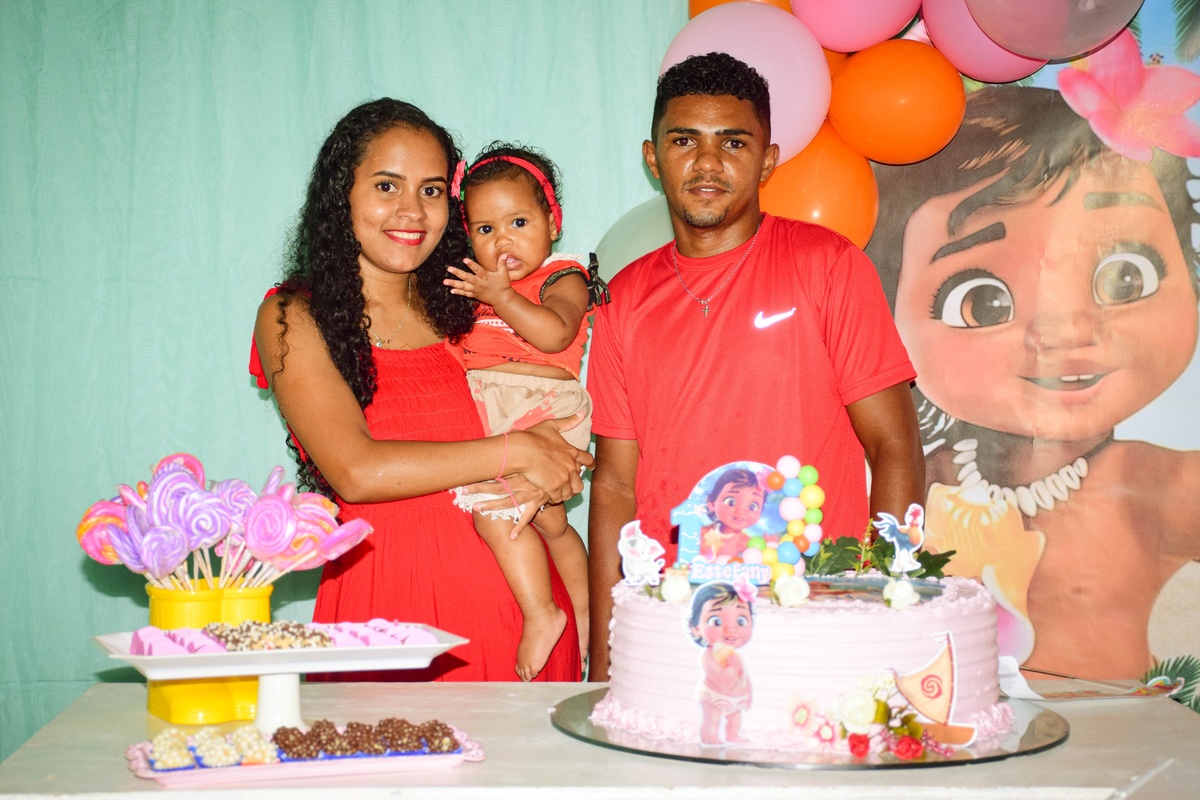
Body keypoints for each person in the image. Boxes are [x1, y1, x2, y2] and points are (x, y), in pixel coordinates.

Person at [585, 52, 925, 681]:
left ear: (767, 160)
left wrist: (882, 606)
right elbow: (612, 487)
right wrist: (606, 660)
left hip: (814, 616)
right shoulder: (622, 299)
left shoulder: (828, 265)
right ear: (653, 158)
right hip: (673, 624)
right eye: (684, 141)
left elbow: (895, 445)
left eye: (733, 142)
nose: (707, 162)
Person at [864, 84, 1200, 680]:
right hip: (956, 726)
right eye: (982, 302)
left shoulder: (1166, 487)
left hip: (1116, 735)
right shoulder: (916, 483)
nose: (1065, 332)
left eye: (1126, 276)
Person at [250, 98, 590, 682]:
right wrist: (521, 451)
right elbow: (357, 471)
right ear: (341, 194)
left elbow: (555, 420)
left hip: (521, 635)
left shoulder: (468, 310)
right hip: (387, 627)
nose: (411, 210)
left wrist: (552, 464)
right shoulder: (295, 317)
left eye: (431, 190)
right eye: (387, 186)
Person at [443, 142, 602, 680]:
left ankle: (545, 614)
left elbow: (556, 333)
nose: (503, 241)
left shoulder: (561, 276)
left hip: (542, 405)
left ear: (552, 224)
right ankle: (585, 615)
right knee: (551, 520)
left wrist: (504, 297)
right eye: (485, 229)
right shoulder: (474, 287)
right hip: (495, 407)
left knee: (492, 512)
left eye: (518, 222)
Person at [688, 580, 755, 745]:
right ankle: (709, 735)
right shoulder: (709, 655)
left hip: (735, 698)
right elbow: (725, 681)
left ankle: (733, 734)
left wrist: (748, 694)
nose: (731, 629)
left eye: (741, 621)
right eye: (716, 621)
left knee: (735, 718)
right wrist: (733, 666)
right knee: (713, 717)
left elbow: (744, 677)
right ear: (696, 628)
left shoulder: (734, 656)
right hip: (714, 696)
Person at [697, 467, 766, 563]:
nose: (741, 511)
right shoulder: (701, 533)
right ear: (712, 503)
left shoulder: (747, 544)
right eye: (731, 502)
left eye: (752, 507)